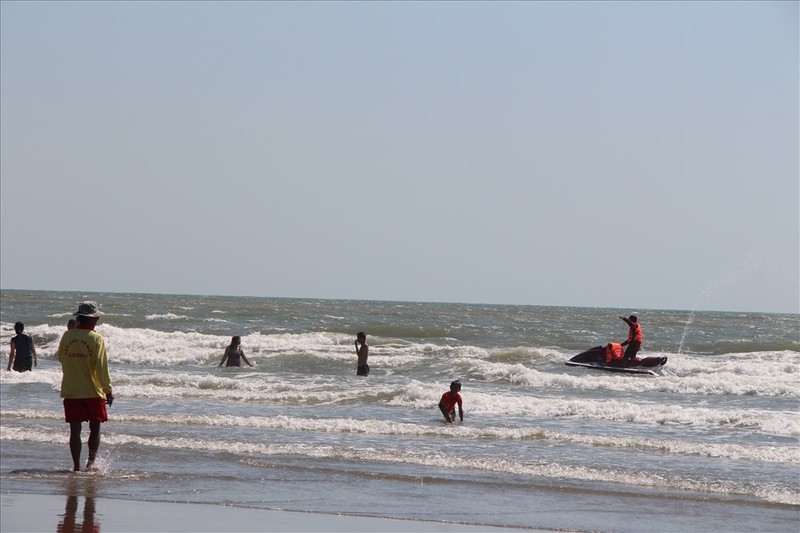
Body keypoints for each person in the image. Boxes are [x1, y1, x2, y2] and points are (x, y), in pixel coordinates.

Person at [57, 301, 114, 472]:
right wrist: (108, 389)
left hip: (71, 390)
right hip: (93, 391)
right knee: (94, 429)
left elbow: (61, 358)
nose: (97, 321)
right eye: (96, 318)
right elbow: (102, 367)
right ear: (91, 320)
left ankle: (76, 466)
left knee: (75, 430)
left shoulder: (67, 337)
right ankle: (90, 464)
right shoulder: (97, 339)